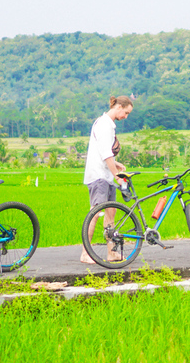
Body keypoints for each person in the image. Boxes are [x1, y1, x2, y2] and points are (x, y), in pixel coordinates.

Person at [80, 95, 133, 264]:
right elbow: (106, 153)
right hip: (99, 176)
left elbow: (103, 152)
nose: (126, 116)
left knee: (111, 213)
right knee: (95, 213)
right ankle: (85, 253)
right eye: (126, 112)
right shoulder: (104, 125)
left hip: (106, 175)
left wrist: (114, 165)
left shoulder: (108, 124)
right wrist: (117, 175)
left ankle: (112, 252)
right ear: (118, 107)